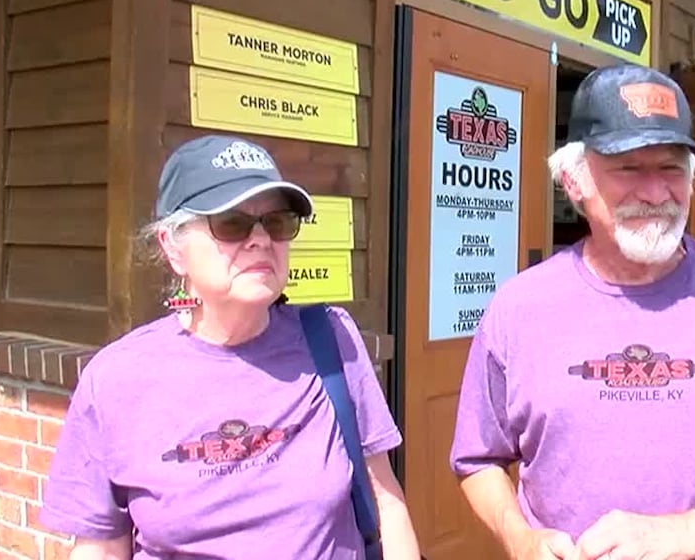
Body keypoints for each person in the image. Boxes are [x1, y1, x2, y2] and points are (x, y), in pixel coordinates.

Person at [448, 64, 695, 560]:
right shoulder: (518, 309)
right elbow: (479, 460)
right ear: (574, 183)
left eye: (671, 169)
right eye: (629, 168)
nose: (656, 193)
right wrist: (519, 539)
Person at [41, 135, 421, 559]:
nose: (260, 239)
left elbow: (387, 503)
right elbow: (101, 548)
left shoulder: (331, 341)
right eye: (232, 223)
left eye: (277, 222)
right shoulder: (115, 379)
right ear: (173, 248)